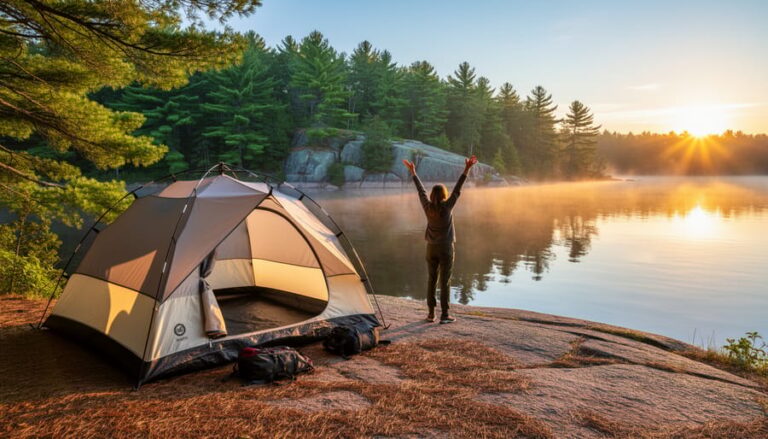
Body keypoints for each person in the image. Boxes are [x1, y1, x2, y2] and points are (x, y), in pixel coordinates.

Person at [402, 155, 478, 324]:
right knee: (445, 281)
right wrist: (467, 169)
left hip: (431, 248)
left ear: (432, 195)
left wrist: (414, 173)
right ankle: (444, 315)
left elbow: (421, 191)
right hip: (445, 248)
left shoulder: (427, 206)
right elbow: (457, 190)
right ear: (444, 195)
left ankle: (431, 314)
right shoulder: (447, 206)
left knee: (431, 280)